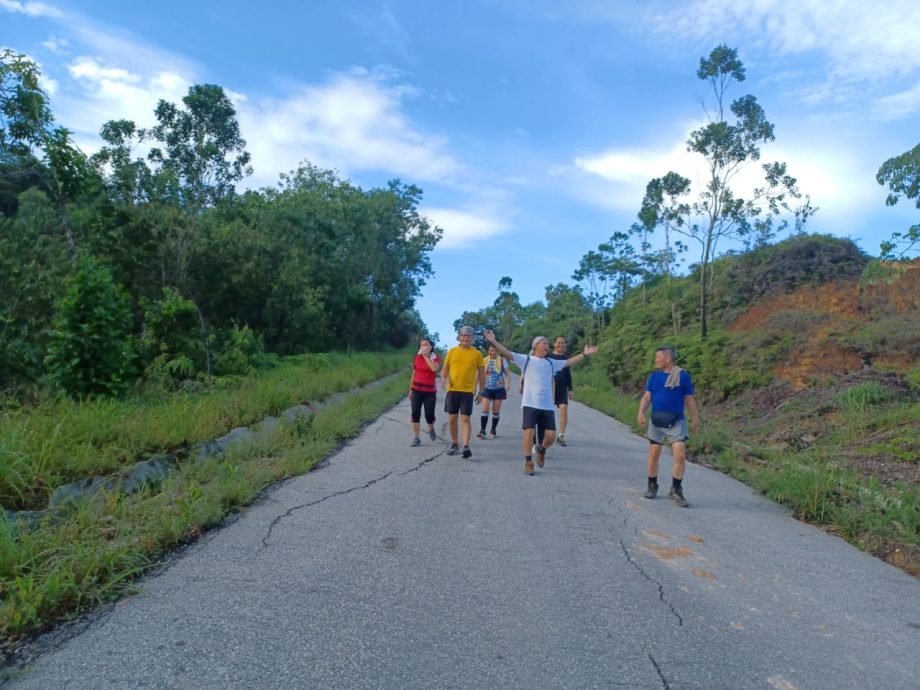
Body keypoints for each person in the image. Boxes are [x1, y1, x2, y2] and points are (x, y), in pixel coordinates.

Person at [483, 329, 597, 476]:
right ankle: (528, 462)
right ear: (536, 345)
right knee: (529, 431)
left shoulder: (551, 363)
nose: (547, 346)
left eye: (547, 344)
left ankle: (541, 449)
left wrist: (584, 354)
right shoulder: (526, 360)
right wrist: (493, 341)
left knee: (550, 435)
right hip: (530, 403)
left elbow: (568, 362)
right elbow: (507, 353)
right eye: (544, 343)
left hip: (547, 405)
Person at [636, 346, 699, 507]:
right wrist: (641, 411)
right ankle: (652, 484)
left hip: (676, 420)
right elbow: (647, 396)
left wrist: (694, 419)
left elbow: (689, 399)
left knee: (679, 454)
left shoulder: (682, 376)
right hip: (657, 419)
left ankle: (676, 489)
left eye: (658, 357)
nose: (655, 360)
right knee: (654, 453)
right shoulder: (654, 377)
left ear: (668, 358)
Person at [440, 325, 486, 458]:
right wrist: (443, 378)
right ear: (459, 337)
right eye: (463, 335)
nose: (465, 338)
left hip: (467, 391)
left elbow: (482, 374)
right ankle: (455, 443)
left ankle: (465, 446)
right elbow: (445, 368)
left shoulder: (477, 354)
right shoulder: (452, 352)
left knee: (465, 418)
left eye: (468, 336)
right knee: (452, 419)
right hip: (453, 390)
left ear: (473, 338)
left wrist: (481, 391)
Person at [408, 337, 441, 447]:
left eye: (426, 345)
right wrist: (410, 390)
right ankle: (416, 437)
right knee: (415, 414)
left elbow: (434, 369)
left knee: (429, 415)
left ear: (431, 347)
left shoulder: (435, 358)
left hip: (429, 392)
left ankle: (431, 428)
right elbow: (414, 373)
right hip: (416, 390)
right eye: (422, 345)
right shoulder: (417, 358)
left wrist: (426, 357)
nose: (423, 347)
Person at [477, 344, 510, 439]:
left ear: (498, 351)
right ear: (488, 351)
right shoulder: (484, 360)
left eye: (495, 350)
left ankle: (493, 429)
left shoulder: (502, 360)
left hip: (499, 389)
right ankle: (482, 431)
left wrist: (507, 383)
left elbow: (507, 373)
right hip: (487, 388)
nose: (493, 352)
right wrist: (476, 387)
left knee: (495, 411)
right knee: (485, 409)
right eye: (491, 350)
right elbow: (479, 374)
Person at [548, 336, 574, 446]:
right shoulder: (548, 356)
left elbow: (568, 375)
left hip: (562, 388)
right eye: (559, 342)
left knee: (564, 408)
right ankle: (546, 433)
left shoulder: (566, 358)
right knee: (547, 412)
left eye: (563, 343)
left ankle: (561, 435)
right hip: (549, 387)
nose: (561, 345)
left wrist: (571, 389)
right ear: (554, 344)